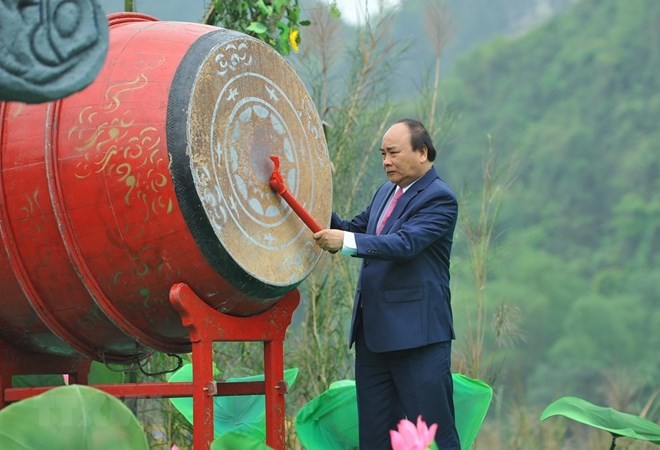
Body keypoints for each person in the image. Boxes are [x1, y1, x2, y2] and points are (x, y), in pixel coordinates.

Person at [313, 119, 460, 449]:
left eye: (393, 153)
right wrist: (313, 194)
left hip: (418, 340)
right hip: (373, 339)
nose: (386, 161)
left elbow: (403, 244)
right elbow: (354, 228)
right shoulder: (385, 193)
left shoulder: (439, 198)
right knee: (376, 438)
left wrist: (347, 241)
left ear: (422, 152)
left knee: (435, 436)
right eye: (382, 154)